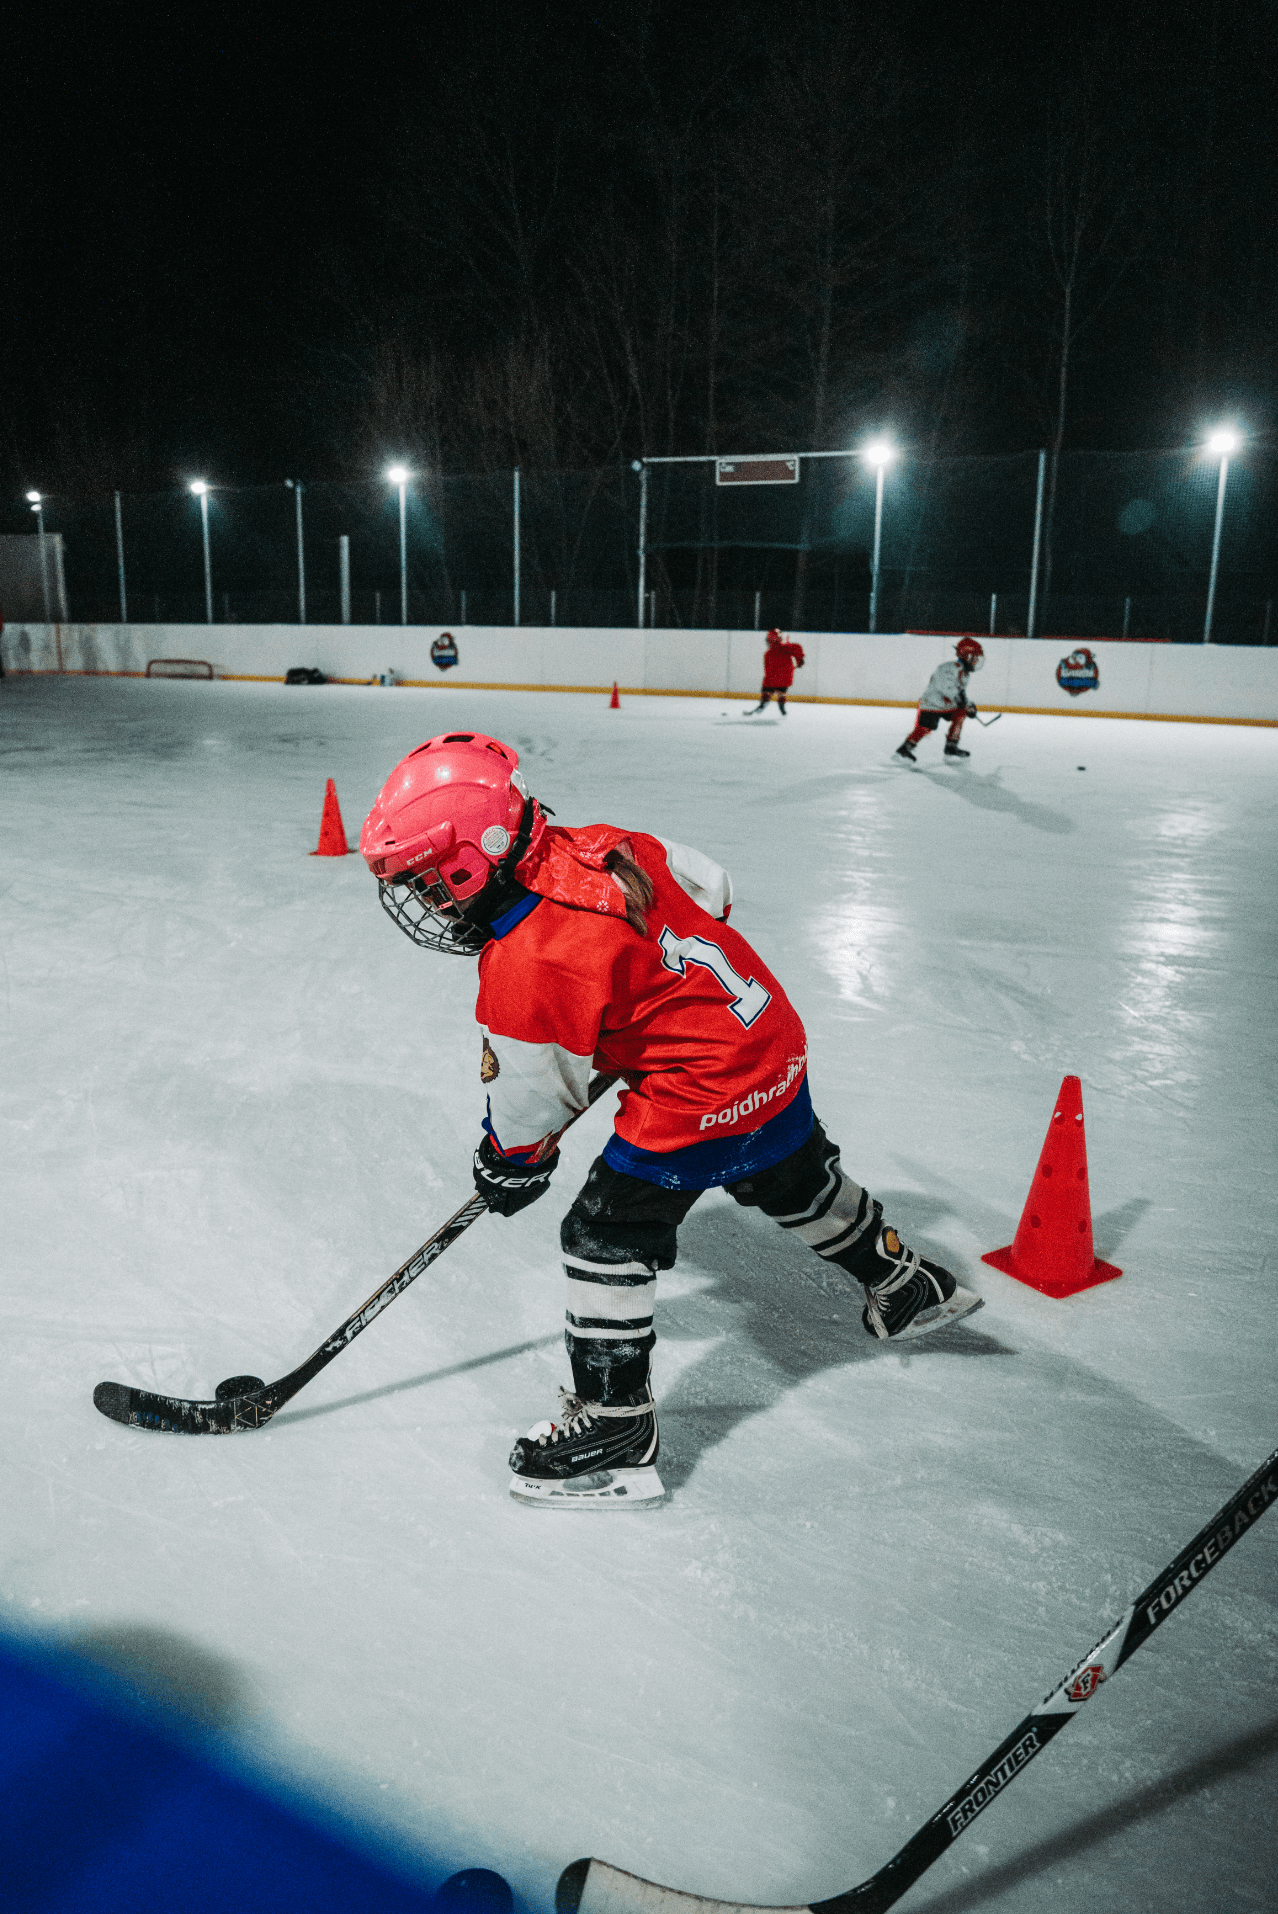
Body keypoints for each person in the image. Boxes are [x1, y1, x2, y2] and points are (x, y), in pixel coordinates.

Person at [360, 732, 981, 1506]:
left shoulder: (527, 961)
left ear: (472, 859)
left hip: (702, 1087)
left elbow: (533, 1097)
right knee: (790, 1178)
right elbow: (713, 890)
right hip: (765, 1038)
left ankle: (616, 1431)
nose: (426, 901)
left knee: (605, 1233)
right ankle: (907, 1284)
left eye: (427, 882)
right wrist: (643, 1000)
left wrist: (510, 1159)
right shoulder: (603, 844)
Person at [896, 637, 985, 761]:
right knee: (926, 727)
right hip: (932, 704)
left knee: (961, 713)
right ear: (966, 656)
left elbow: (961, 693)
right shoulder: (949, 668)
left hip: (947, 705)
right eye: (974, 658)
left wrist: (969, 705)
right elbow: (946, 688)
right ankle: (905, 748)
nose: (976, 662)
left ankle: (951, 746)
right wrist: (963, 702)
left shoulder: (965, 674)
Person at [747, 628, 805, 715]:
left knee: (766, 689)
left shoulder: (768, 654)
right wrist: (799, 660)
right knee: (782, 691)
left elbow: (767, 670)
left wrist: (767, 680)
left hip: (772, 680)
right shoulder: (787, 648)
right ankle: (782, 708)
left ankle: (762, 705)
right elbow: (797, 648)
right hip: (786, 678)